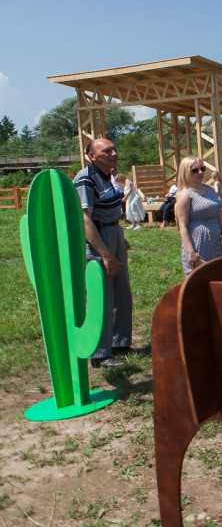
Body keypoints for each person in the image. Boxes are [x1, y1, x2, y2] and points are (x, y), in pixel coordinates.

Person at [73, 138, 133, 368]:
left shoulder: (107, 175)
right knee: (102, 295)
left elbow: (108, 210)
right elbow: (86, 220)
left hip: (113, 232)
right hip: (99, 239)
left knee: (121, 292)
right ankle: (99, 353)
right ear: (92, 156)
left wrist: (120, 238)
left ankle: (119, 343)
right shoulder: (86, 178)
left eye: (114, 149)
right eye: (106, 150)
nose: (113, 153)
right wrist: (106, 255)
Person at [175, 157, 222, 276]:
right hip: (198, 242)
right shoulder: (185, 195)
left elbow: (218, 213)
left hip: (215, 241)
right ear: (185, 172)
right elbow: (182, 226)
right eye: (195, 170)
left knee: (218, 276)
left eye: (202, 168)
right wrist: (191, 252)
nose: (200, 172)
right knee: (199, 279)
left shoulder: (210, 190)